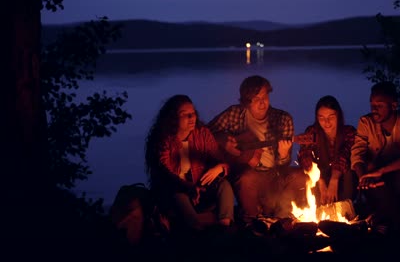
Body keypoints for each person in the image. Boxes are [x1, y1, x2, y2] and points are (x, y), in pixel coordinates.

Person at [207, 75, 309, 225]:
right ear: (246, 101)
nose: (262, 103)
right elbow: (206, 133)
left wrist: (284, 154)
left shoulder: (283, 119)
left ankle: (285, 218)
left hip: (275, 173)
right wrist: (223, 141)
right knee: (246, 179)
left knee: (301, 176)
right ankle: (253, 221)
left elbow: (284, 166)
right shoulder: (234, 114)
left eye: (265, 96)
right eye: (256, 99)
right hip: (249, 173)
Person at [350, 81, 400, 252]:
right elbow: (357, 153)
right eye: (372, 104)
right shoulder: (366, 122)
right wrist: (364, 176)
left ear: (393, 105)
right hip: (379, 183)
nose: (374, 109)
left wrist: (381, 171)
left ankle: (383, 221)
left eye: (379, 105)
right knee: (371, 170)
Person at [144, 94, 235, 234]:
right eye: (185, 114)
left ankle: (225, 227)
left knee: (224, 185)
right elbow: (165, 173)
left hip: (199, 190)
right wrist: (188, 187)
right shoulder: (163, 139)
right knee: (178, 195)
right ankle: (195, 230)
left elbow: (221, 160)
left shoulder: (202, 134)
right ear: (173, 118)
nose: (191, 118)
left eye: (193, 114)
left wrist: (219, 168)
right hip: (174, 192)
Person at [297, 95, 357, 207]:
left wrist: (334, 179)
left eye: (331, 117)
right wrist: (320, 180)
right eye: (321, 118)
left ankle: (345, 209)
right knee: (308, 175)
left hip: (343, 178)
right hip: (320, 178)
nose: (327, 122)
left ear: (338, 116)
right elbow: (305, 155)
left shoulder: (349, 132)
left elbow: (345, 154)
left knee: (349, 173)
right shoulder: (312, 132)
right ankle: (319, 209)